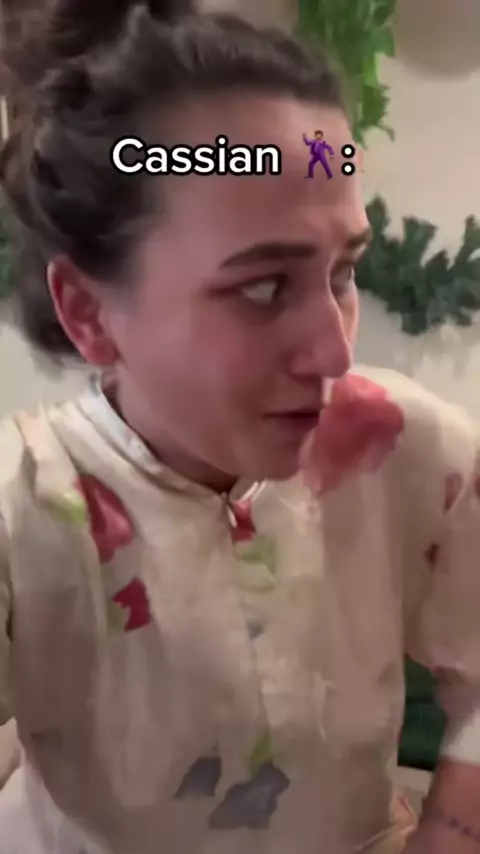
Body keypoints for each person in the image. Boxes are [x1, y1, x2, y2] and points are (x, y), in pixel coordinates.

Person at [0, 1, 480, 852]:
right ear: (90, 313)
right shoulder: (23, 506)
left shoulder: (406, 445)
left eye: (343, 272)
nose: (336, 353)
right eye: (262, 288)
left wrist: (449, 834)